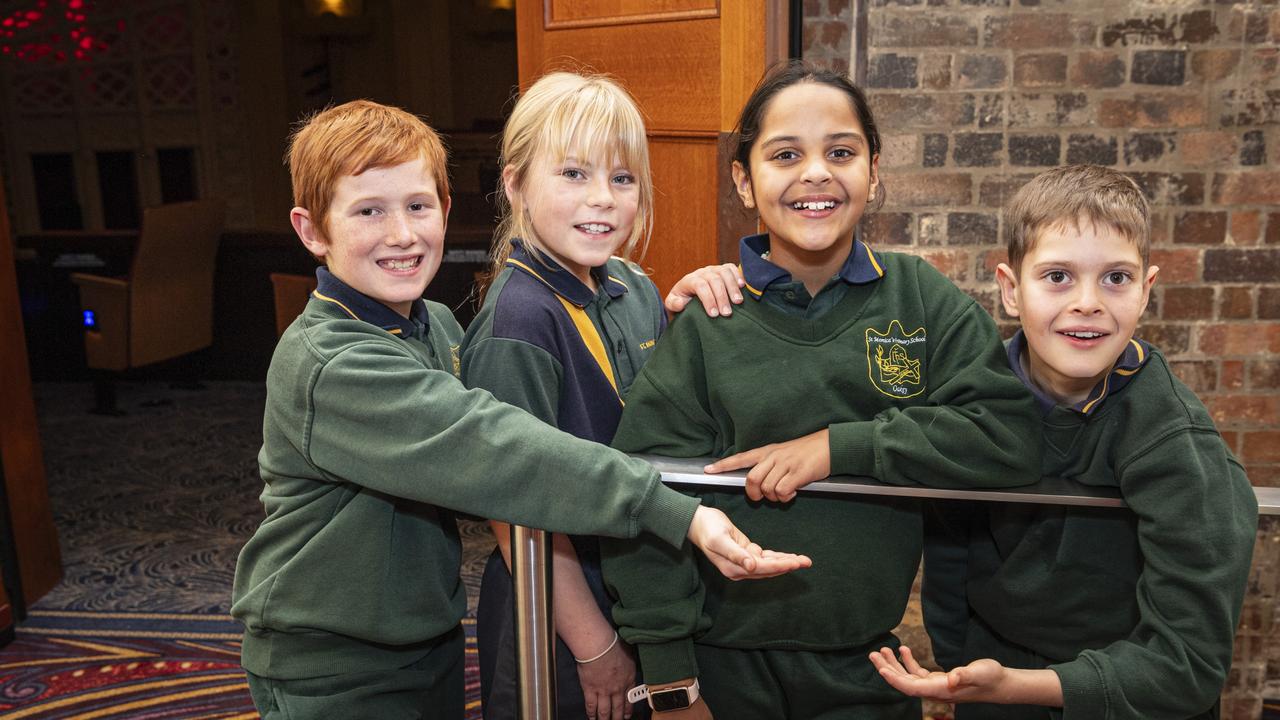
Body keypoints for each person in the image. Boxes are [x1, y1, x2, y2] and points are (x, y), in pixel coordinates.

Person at [229, 99, 810, 720]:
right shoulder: (334, 364)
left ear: (447, 211)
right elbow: (496, 449)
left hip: (425, 637)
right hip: (333, 662)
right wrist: (669, 511)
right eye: (369, 211)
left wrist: (673, 317)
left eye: (418, 206)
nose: (401, 234)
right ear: (311, 230)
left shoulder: (438, 326)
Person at [600, 61, 1042, 719]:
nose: (816, 172)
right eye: (785, 154)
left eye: (841, 151)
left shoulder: (923, 302)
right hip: (719, 669)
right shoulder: (708, 325)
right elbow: (643, 496)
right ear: (744, 181)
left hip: (866, 669)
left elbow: (1009, 434)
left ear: (873, 171)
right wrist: (670, 681)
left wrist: (840, 448)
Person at [867, 164, 1259, 719]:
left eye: (1116, 278)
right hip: (993, 686)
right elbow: (950, 558)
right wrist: (968, 677)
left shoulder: (1177, 442)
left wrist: (1020, 686)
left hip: (1134, 697)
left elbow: (1187, 666)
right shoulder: (969, 407)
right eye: (1057, 276)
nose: (1088, 302)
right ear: (1009, 289)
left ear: (1146, 291)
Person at [461, 71, 675, 720]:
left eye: (622, 178)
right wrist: (594, 644)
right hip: (556, 607)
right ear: (516, 184)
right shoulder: (521, 318)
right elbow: (514, 510)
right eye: (575, 174)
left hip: (629, 585)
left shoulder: (633, 286)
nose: (603, 199)